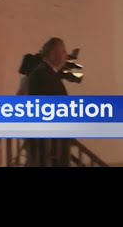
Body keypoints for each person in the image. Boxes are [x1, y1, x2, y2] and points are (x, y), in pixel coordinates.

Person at [25, 37, 71, 166]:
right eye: (62, 51)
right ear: (52, 53)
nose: (66, 55)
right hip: (48, 143)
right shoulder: (43, 74)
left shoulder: (47, 73)